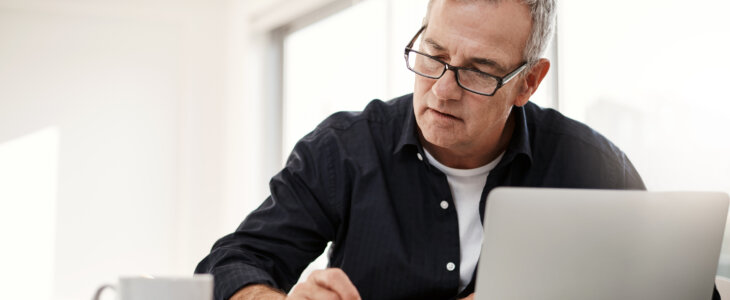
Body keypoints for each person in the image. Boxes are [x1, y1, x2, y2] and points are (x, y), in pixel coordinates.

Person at [195, 0, 695, 299]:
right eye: (432, 55)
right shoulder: (343, 150)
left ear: (529, 83)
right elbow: (229, 264)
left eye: (478, 70)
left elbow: (686, 292)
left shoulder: (592, 167)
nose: (441, 91)